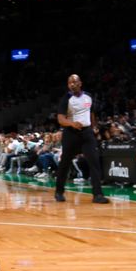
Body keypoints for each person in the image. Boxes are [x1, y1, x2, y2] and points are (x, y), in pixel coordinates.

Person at [54, 74, 110, 203]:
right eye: (69, 83)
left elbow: (91, 113)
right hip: (71, 134)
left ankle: (97, 195)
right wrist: (72, 123)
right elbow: (60, 119)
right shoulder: (66, 98)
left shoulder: (88, 96)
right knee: (65, 163)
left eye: (74, 82)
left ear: (80, 83)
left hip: (87, 133)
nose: (72, 84)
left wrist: (93, 126)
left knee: (94, 162)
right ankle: (59, 191)